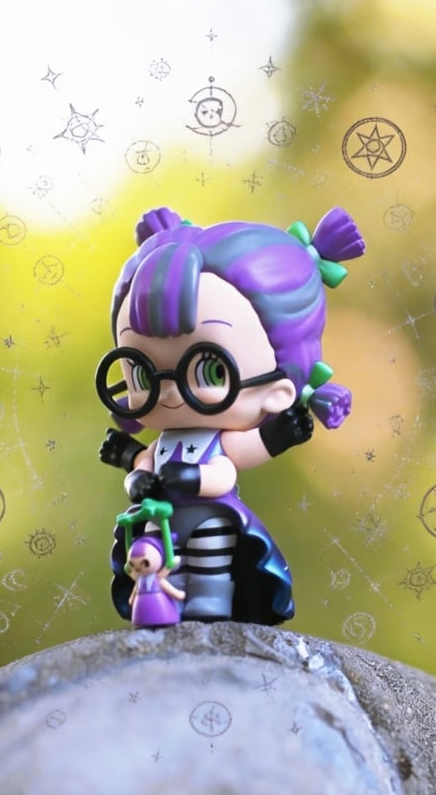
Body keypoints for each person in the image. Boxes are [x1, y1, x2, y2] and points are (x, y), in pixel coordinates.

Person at [96, 205, 365, 625]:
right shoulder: (161, 444)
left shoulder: (219, 443)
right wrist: (136, 478)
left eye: (210, 370)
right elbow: (141, 466)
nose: (169, 391)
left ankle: (210, 604)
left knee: (210, 564)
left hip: (210, 519)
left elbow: (224, 471)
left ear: (278, 391)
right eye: (142, 372)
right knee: (158, 564)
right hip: (159, 526)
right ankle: (159, 605)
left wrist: (192, 477)